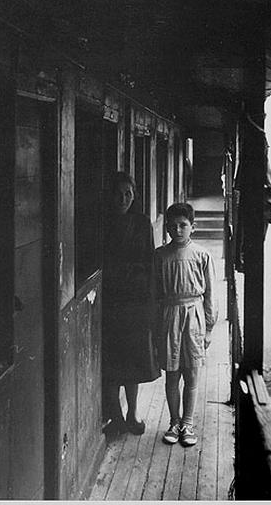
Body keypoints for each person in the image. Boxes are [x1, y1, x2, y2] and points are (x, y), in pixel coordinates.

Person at [154, 202, 217, 447]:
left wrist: (209, 327)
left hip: (194, 315)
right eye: (173, 226)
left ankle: (188, 423)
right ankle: (174, 422)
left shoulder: (202, 255)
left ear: (193, 227)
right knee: (172, 374)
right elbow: (154, 292)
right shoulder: (160, 255)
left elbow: (210, 292)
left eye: (183, 225)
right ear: (167, 228)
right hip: (169, 315)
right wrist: (155, 324)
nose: (178, 230)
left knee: (191, 373)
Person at [102, 172, 160, 436]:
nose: (123, 199)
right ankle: (115, 416)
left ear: (134, 196)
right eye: (118, 193)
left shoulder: (142, 223)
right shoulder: (101, 223)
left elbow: (149, 263)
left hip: (135, 302)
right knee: (113, 363)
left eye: (128, 194)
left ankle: (132, 413)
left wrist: (150, 305)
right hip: (111, 303)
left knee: (134, 364)